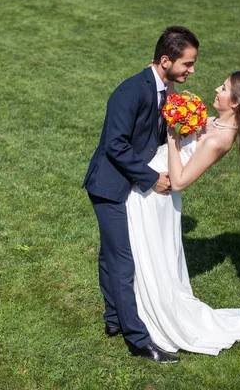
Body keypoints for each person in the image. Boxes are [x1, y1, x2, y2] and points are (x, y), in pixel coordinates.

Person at [126, 71, 240, 355]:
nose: (217, 89)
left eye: (224, 88)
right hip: (150, 180)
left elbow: (180, 180)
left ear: (235, 103)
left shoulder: (221, 140)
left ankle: (152, 317)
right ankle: (135, 310)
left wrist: (172, 135)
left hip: (158, 192)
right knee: (143, 252)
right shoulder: (215, 122)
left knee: (150, 255)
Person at [82, 26, 199, 364]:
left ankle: (114, 320)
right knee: (123, 262)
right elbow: (115, 145)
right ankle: (138, 339)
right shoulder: (130, 92)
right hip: (109, 187)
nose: (191, 70)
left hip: (126, 182)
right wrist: (152, 179)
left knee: (109, 255)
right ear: (166, 60)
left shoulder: (164, 88)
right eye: (187, 64)